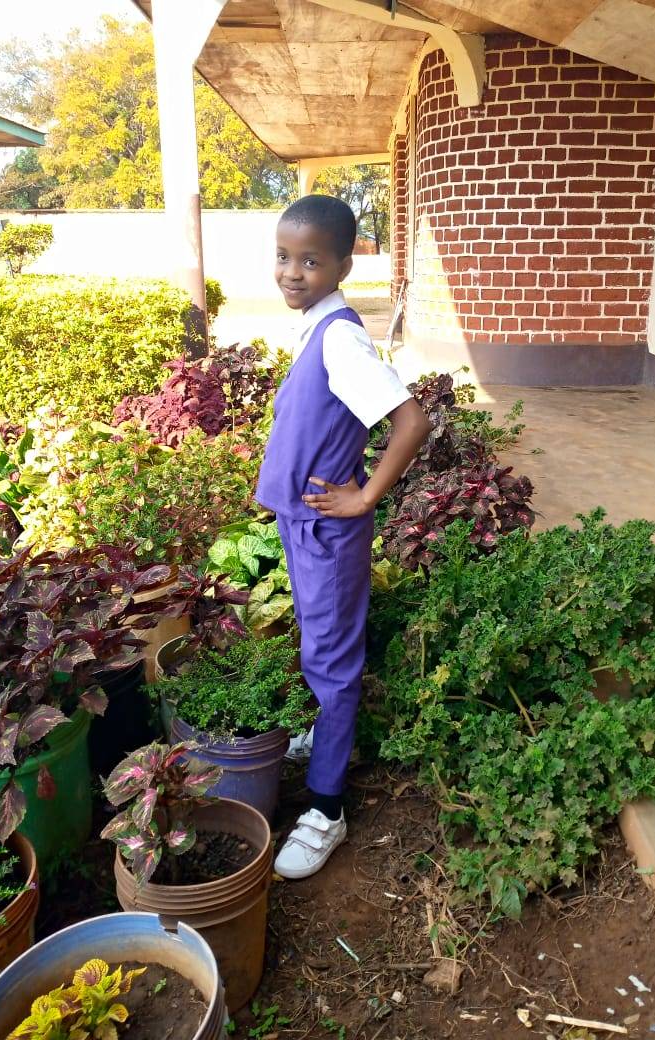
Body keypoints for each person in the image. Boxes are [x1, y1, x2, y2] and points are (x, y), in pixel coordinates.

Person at [255, 194, 431, 879]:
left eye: (310, 261)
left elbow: (411, 422)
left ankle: (326, 808)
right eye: (283, 256)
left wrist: (364, 496)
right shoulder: (314, 326)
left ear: (342, 265)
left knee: (332, 661)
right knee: (318, 644)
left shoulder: (339, 338)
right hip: (304, 525)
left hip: (329, 532)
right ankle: (326, 736)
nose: (291, 272)